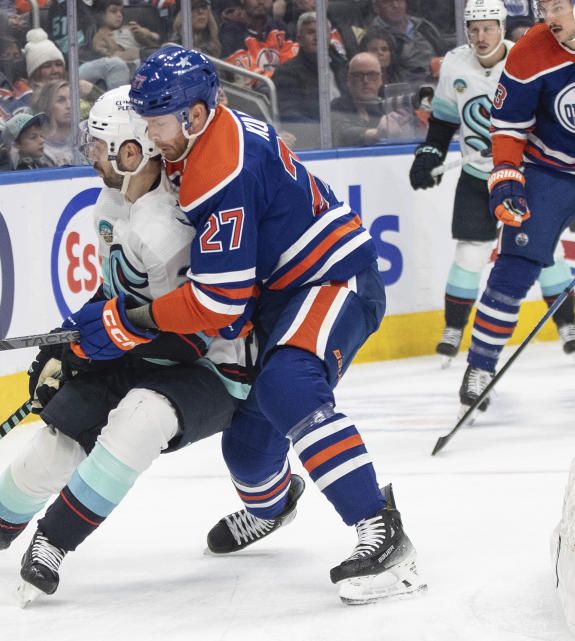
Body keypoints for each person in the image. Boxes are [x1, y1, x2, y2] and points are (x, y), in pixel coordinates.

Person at [62, 46, 427, 604]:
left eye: (157, 119)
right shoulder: (199, 136)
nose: (148, 130)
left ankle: (381, 528)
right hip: (276, 297)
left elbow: (220, 303)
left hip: (329, 280)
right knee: (248, 452)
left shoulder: (218, 168)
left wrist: (130, 321)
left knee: (288, 385)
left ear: (197, 116)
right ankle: (276, 505)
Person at [0, 86, 252, 605]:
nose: (88, 153)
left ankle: (52, 543)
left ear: (132, 150)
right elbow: (115, 293)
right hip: (143, 349)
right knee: (59, 437)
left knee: (137, 421)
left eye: (98, 144)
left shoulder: (170, 227)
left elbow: (191, 333)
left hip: (209, 367)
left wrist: (92, 348)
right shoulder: (113, 203)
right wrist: (63, 344)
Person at [408, 0, 575, 373]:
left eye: (489, 27)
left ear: (501, 27)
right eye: (474, 28)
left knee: (549, 255)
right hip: (493, 175)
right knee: (479, 254)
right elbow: (450, 120)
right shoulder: (457, 64)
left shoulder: (522, 54)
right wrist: (432, 152)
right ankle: (459, 338)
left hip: (522, 170)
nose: (481, 36)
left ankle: (567, 325)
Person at [452, 0, 575, 417]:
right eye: (543, 7)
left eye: (558, 6)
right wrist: (506, 175)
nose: (548, 17)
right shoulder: (530, 50)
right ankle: (480, 367)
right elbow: (507, 125)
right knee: (514, 267)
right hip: (549, 170)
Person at [271, 12, 347, 149]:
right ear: (299, 39)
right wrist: (326, 132)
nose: (317, 37)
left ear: (330, 37)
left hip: (346, 135)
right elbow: (290, 116)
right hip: (313, 143)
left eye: (322, 32)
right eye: (311, 32)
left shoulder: (343, 67)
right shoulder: (287, 72)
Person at [365, 0, 446, 84]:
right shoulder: (374, 38)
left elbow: (443, 52)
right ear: (376, 7)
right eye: (388, 1)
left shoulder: (423, 26)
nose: (395, 5)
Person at [331, 52, 386, 146]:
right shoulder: (337, 106)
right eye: (358, 75)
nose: (366, 81)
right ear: (349, 80)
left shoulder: (385, 105)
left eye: (372, 75)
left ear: (381, 79)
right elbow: (342, 133)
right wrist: (378, 133)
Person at [92, 0, 161, 66]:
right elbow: (106, 61)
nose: (119, 15)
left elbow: (156, 38)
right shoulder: (100, 39)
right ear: (101, 15)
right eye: (113, 11)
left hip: (151, 58)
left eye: (121, 11)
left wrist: (143, 33)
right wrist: (130, 54)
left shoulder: (130, 28)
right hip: (131, 66)